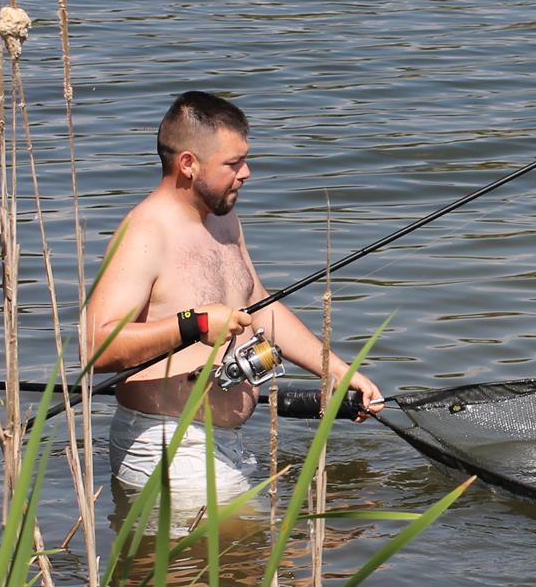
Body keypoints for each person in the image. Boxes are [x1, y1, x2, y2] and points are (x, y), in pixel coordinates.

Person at [84, 90, 382, 509]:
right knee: (278, 548)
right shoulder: (145, 232)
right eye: (233, 163)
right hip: (168, 446)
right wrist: (194, 325)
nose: (246, 173)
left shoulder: (222, 218)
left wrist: (337, 371)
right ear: (188, 163)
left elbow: (258, 304)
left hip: (226, 443)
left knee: (283, 547)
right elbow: (95, 345)